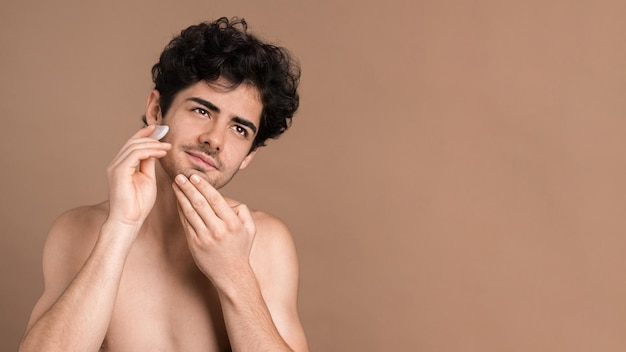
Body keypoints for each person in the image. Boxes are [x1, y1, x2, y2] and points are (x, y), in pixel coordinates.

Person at [19, 17, 308, 352]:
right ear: (157, 110)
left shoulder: (265, 240)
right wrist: (120, 229)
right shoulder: (76, 229)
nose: (214, 139)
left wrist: (235, 275)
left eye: (239, 129)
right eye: (202, 111)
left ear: (249, 155)